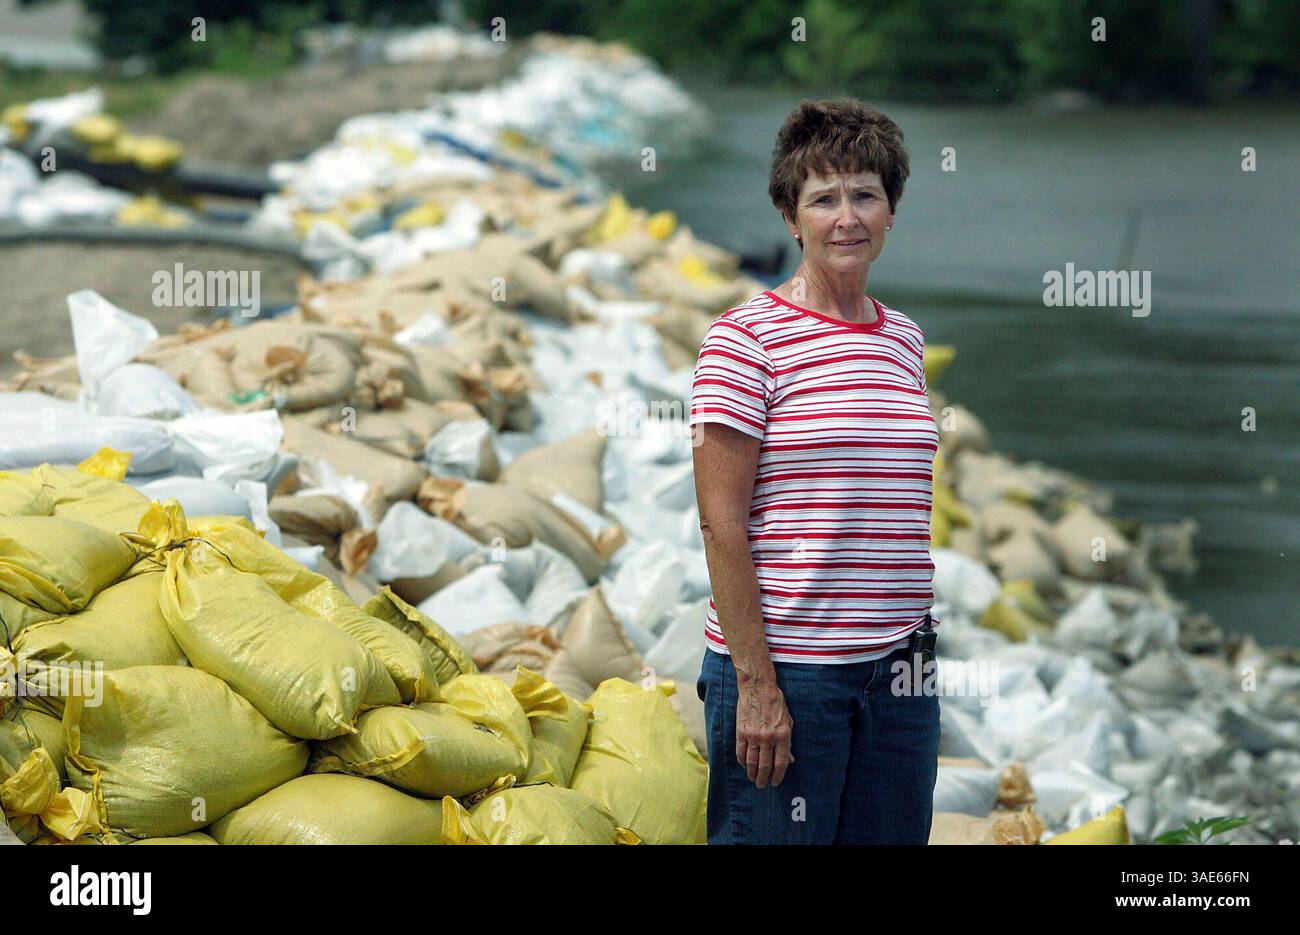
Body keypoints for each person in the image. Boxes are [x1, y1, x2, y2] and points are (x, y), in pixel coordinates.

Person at [689, 97, 941, 844]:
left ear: (891, 209)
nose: (847, 217)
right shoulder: (743, 341)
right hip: (793, 671)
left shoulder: (904, 339)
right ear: (790, 215)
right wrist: (758, 688)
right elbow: (720, 522)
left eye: (865, 194)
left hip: (901, 667)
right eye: (823, 198)